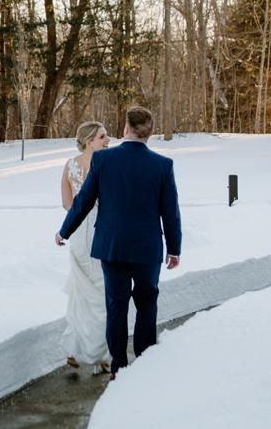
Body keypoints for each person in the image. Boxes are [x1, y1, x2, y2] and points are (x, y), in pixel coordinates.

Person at [56, 107, 182, 379]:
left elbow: (83, 202)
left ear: (126, 130)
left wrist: (64, 232)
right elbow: (170, 212)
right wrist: (174, 249)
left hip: (111, 247)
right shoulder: (163, 165)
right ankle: (145, 361)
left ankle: (118, 368)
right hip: (147, 249)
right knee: (147, 302)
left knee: (116, 305)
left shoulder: (104, 160)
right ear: (149, 132)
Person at [60, 121, 112, 375]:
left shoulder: (69, 166)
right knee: (103, 294)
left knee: (81, 294)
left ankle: (74, 349)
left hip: (78, 236)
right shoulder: (108, 164)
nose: (108, 139)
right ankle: (102, 355)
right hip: (101, 232)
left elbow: (67, 204)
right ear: (90, 140)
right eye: (103, 136)